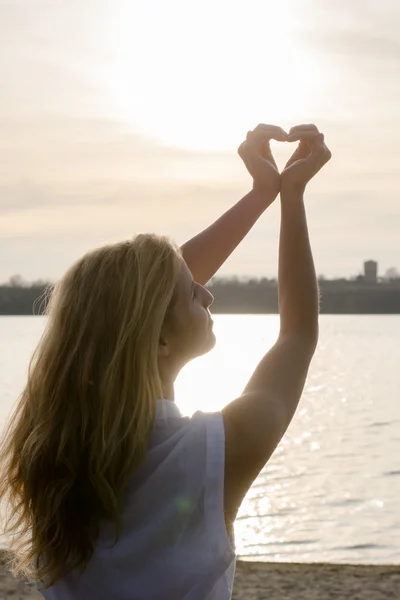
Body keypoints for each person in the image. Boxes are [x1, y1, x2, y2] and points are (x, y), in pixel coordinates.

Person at [0, 124, 331, 599]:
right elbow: (297, 335)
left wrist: (261, 194)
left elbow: (138, 301)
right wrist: (290, 195)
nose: (208, 292)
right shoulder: (217, 452)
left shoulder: (50, 454)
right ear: (157, 341)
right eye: (192, 294)